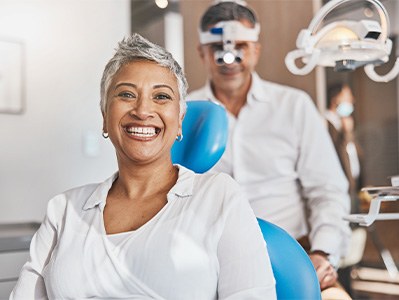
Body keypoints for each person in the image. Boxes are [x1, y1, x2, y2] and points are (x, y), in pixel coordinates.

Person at [10, 33, 276, 299]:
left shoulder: (218, 195)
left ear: (180, 120)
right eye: (126, 94)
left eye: (161, 96)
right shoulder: (64, 209)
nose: (142, 110)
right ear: (105, 116)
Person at [188, 0, 352, 293]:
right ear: (201, 52)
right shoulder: (184, 115)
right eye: (218, 49)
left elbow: (328, 189)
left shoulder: (294, 106)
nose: (230, 58)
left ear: (256, 50)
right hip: (212, 263)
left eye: (241, 47)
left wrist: (323, 252)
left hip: (296, 255)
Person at [326, 83, 363, 214]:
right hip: (337, 188)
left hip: (352, 186)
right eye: (347, 96)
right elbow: (335, 153)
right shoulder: (325, 124)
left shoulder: (345, 123)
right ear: (335, 99)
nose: (352, 100)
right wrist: (346, 133)